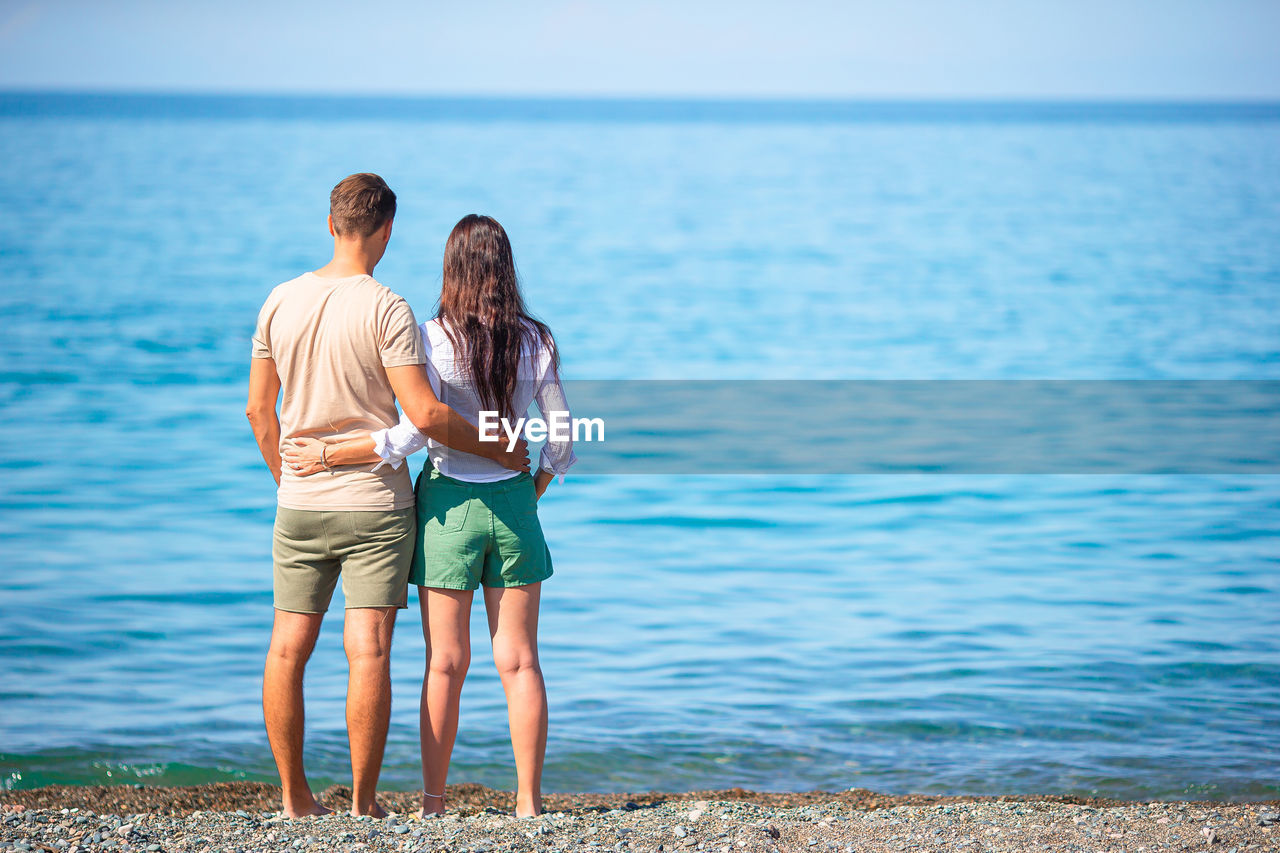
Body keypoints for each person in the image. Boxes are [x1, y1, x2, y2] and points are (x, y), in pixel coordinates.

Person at [246, 178, 529, 818]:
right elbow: (426, 415)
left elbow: (259, 411)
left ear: (330, 225)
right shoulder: (387, 309)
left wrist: (289, 478)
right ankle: (365, 803)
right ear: (388, 231)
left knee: (286, 647)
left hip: (300, 500)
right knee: (368, 650)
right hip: (377, 505)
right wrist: (501, 448)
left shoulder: (279, 300)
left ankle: (295, 799)